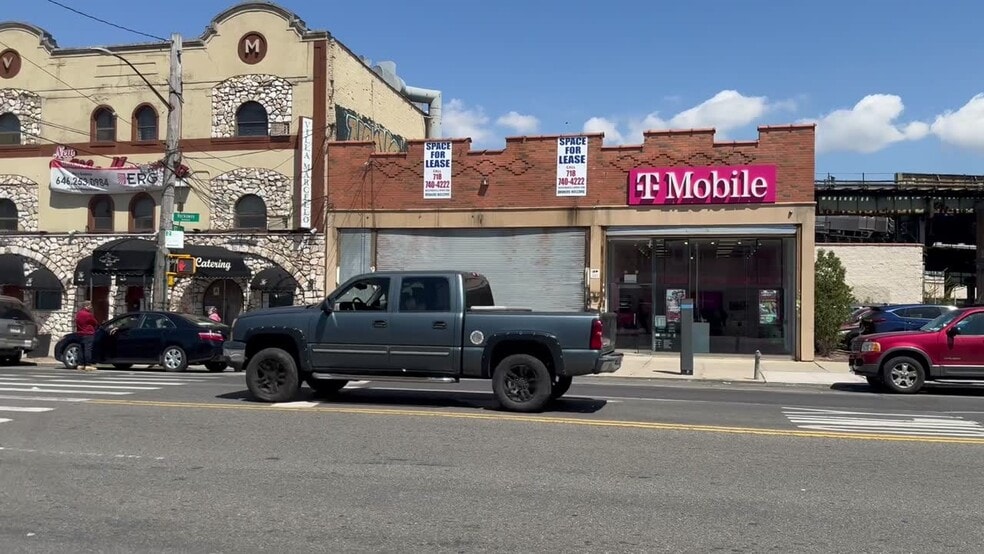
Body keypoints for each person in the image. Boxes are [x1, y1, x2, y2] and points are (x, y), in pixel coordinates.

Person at [74, 301, 99, 372]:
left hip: (80, 333)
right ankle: (88, 365)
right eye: (90, 306)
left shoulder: (78, 314)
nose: (91, 307)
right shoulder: (88, 314)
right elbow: (95, 322)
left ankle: (80, 364)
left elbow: (76, 321)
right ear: (87, 306)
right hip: (88, 333)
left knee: (81, 349)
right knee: (88, 349)